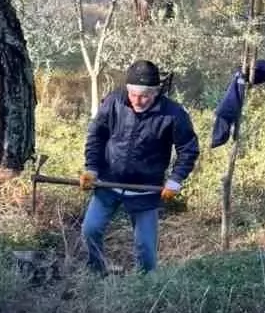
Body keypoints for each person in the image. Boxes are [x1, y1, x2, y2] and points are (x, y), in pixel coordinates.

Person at [80, 59, 200, 274]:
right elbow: (96, 136)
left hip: (145, 189)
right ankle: (98, 272)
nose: (138, 100)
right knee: (90, 230)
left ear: (156, 92)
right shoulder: (114, 102)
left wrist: (175, 179)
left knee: (145, 248)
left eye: (145, 95)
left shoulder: (173, 114)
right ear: (127, 90)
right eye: (134, 94)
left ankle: (145, 286)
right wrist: (92, 168)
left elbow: (188, 149)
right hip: (108, 183)